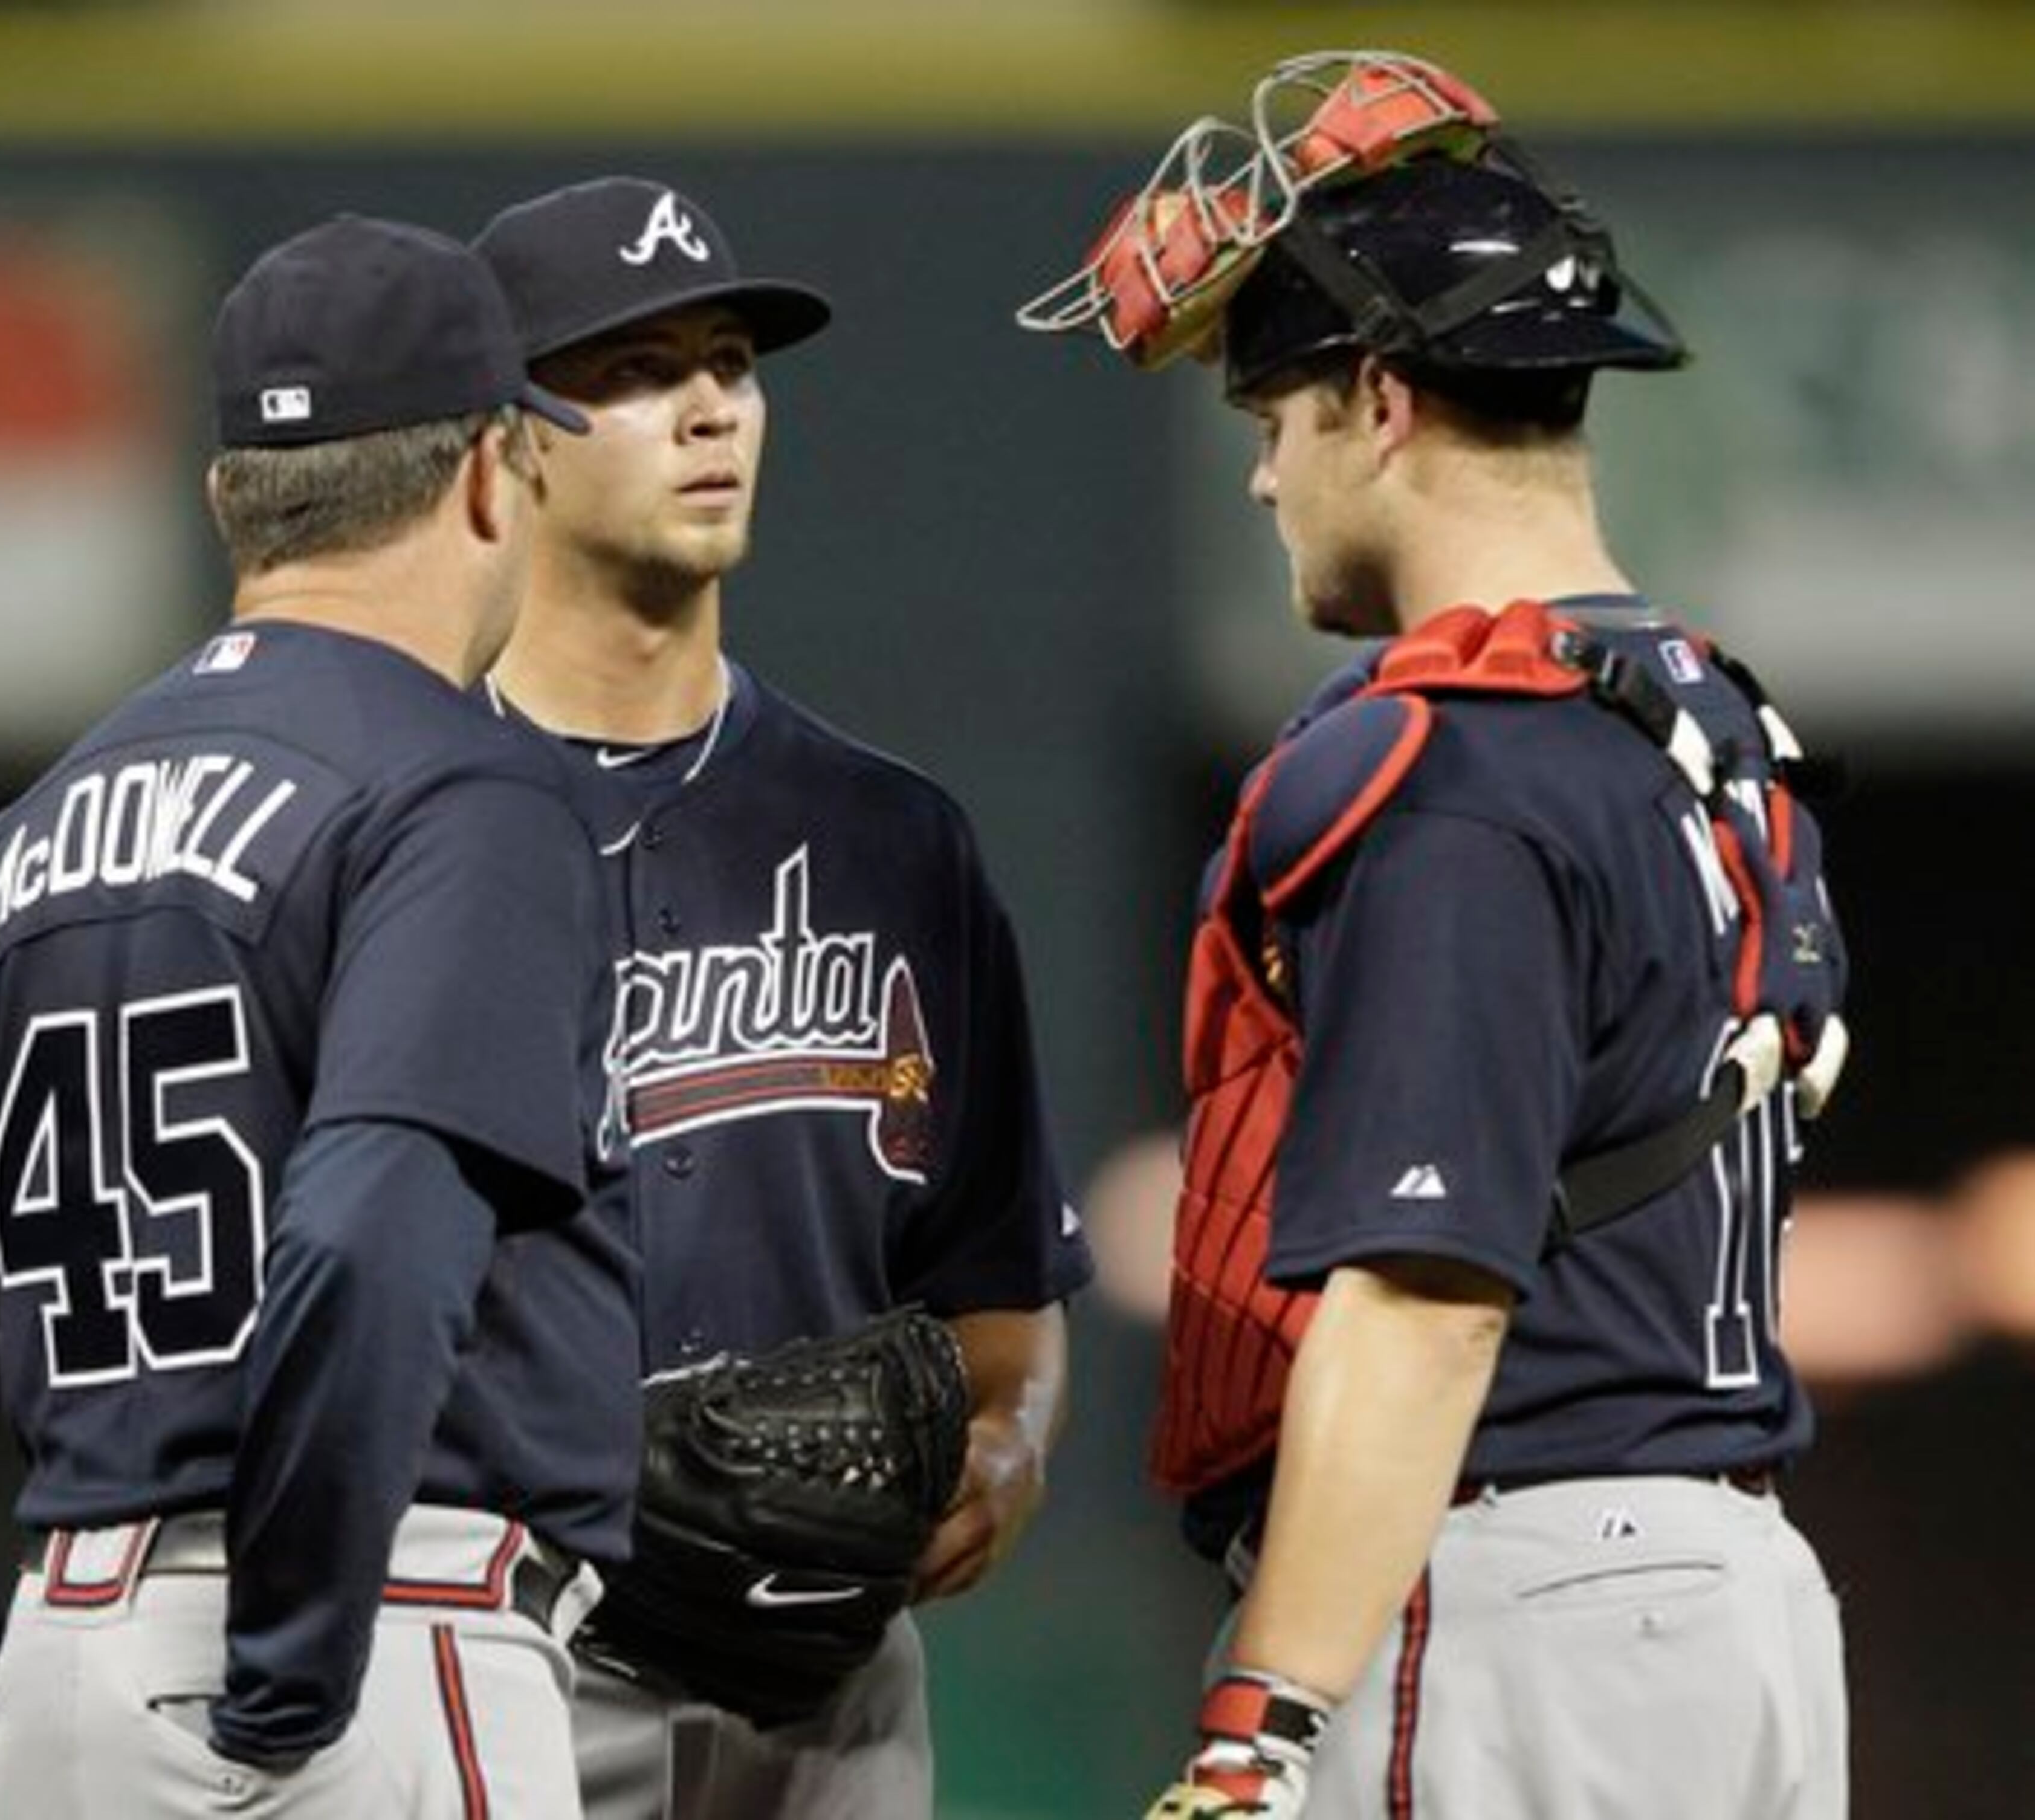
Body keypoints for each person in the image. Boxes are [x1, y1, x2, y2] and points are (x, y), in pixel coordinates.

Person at [1018, 50, 1852, 1820]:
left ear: (1381, 403)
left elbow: (1426, 1298)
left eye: (1276, 421)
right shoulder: (1703, 731)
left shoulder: (1453, 768)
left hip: (1520, 1597)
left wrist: (1260, 1725)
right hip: (1738, 1607)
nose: (1264, 485)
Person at [0, 213, 639, 1819]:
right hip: (373, 1642)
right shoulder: (461, 791)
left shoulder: (35, 830)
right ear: (499, 472)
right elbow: (368, 1234)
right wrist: (296, 1669)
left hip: (66, 1662)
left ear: (233, 495)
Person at [469, 175, 1095, 1819]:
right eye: (631, 370)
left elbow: (1002, 1280)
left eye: (731, 360)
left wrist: (1009, 1445)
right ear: (508, 439)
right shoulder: (395, 830)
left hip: (835, 1681)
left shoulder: (896, 838)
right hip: (506, 1644)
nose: (705, 410)